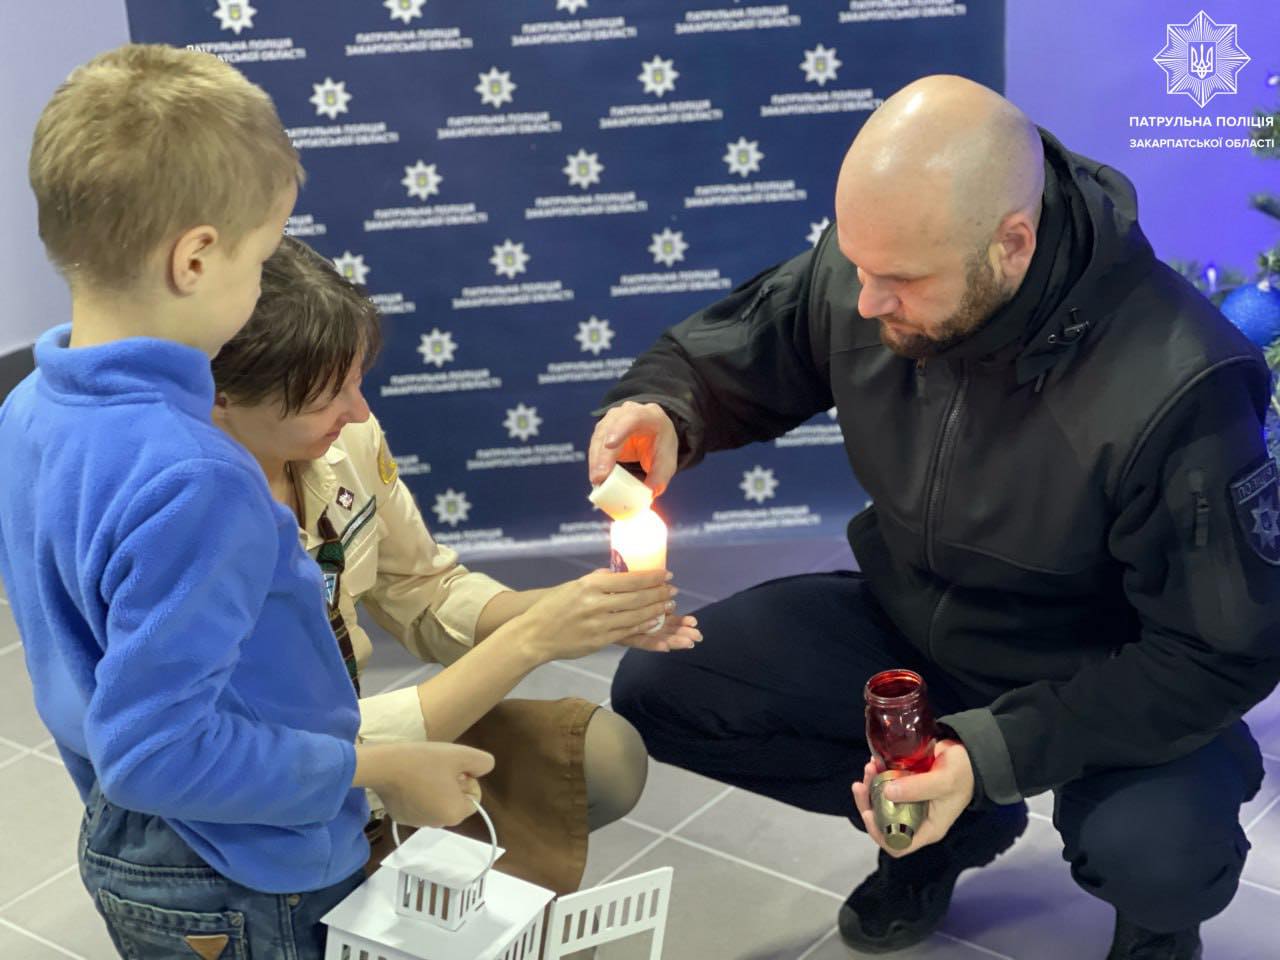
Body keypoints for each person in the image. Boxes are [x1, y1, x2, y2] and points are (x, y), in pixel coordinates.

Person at [590, 75, 1280, 958]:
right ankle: (948, 833)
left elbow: (1217, 652)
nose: (866, 302)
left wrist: (988, 754)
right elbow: (733, 354)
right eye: (857, 265)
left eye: (901, 281)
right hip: (915, 624)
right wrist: (665, 408)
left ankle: (1157, 931)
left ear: (1012, 244)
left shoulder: (1179, 380)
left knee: (1160, 854)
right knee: (665, 691)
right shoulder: (881, 265)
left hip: (1105, 671)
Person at [0, 44, 496, 960]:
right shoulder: (200, 479)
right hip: (245, 864)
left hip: (135, 840)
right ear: (196, 257)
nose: (265, 281)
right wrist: (383, 769)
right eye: (264, 256)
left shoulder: (29, 404)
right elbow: (157, 753)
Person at [210, 235, 701, 893]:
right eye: (325, 396)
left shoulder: (344, 439)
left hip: (353, 747)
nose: (358, 411)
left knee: (604, 758)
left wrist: (579, 612)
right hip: (270, 795)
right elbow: (268, 750)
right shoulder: (197, 525)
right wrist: (533, 639)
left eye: (356, 380)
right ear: (220, 396)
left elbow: (424, 588)